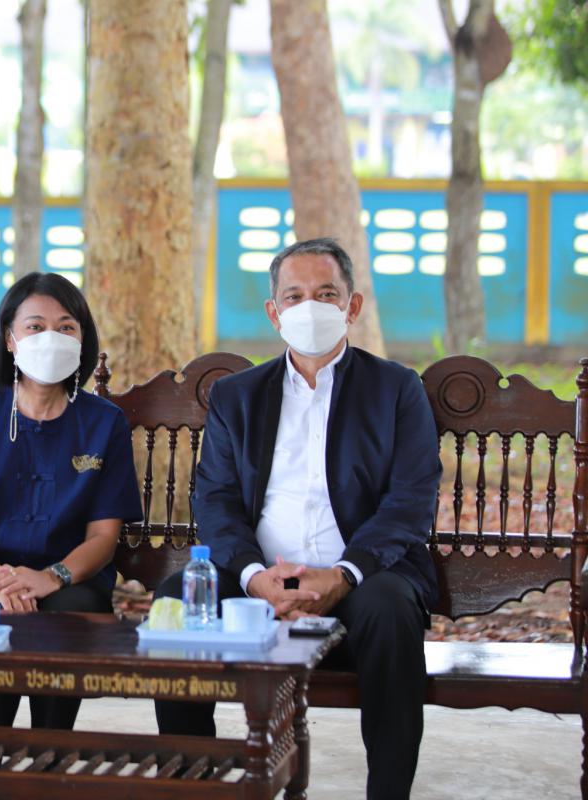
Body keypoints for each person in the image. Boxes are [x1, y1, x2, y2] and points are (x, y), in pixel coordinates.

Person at [153, 237, 440, 800]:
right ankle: (193, 785)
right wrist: (253, 576)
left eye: (326, 294)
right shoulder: (237, 396)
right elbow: (215, 499)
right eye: (294, 295)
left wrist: (344, 574)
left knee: (390, 609)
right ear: (274, 311)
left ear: (352, 306)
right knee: (176, 603)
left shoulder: (395, 389)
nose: (310, 307)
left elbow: (410, 500)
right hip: (258, 581)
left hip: (362, 580)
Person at [0, 272, 143, 729]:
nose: (51, 338)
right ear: (10, 339)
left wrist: (51, 577)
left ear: (82, 340)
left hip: (72, 580)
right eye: (35, 326)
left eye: (66, 327)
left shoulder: (104, 423)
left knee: (67, 614)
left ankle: (51, 752)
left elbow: (104, 537)